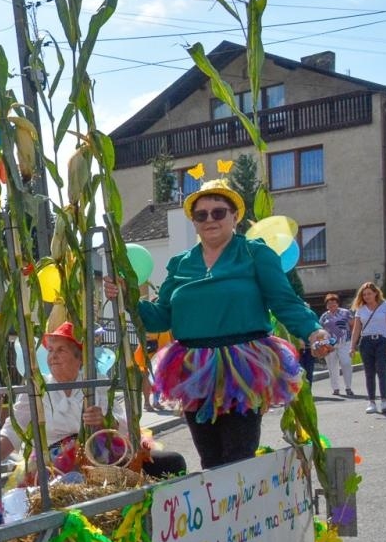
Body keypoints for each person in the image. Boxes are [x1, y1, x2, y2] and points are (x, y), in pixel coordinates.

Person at [106, 178, 331, 469]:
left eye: (218, 212)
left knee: (238, 459)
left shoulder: (255, 253)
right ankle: (221, 513)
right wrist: (128, 298)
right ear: (194, 222)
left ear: (234, 216)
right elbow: (162, 316)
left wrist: (314, 331)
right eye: (201, 215)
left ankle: (243, 512)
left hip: (243, 365)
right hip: (193, 368)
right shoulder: (181, 263)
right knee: (210, 460)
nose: (210, 219)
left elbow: (284, 300)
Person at [0, 322, 187, 480]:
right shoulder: (36, 388)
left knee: (172, 462)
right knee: (73, 481)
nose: (53, 356)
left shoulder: (95, 382)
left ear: (79, 358)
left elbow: (123, 427)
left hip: (102, 457)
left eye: (61, 350)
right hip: (52, 466)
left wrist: (103, 421)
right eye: (50, 350)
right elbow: (13, 430)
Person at [351, 281, 386, 414]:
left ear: (376, 293)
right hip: (366, 342)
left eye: (369, 294)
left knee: (382, 371)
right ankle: (371, 402)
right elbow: (356, 329)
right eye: (364, 294)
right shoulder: (360, 309)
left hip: (382, 341)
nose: (366, 296)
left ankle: (384, 401)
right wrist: (352, 346)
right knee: (369, 373)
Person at [319, 292, 356, 397]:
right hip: (330, 345)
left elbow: (353, 325)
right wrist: (324, 344)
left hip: (345, 342)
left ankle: (348, 387)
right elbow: (320, 330)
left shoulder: (345, 313)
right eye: (329, 303)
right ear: (326, 305)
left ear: (337, 303)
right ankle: (335, 388)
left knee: (346, 363)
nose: (332, 305)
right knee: (332, 367)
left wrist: (354, 340)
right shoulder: (324, 316)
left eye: (334, 303)